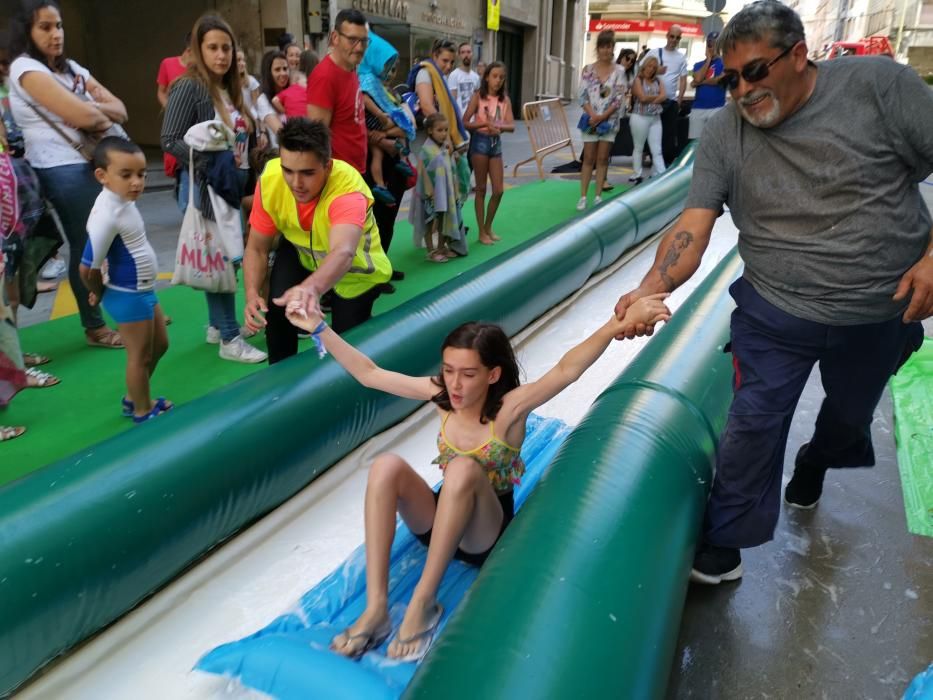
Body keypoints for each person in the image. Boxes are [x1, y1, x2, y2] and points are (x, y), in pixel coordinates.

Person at [613, 0, 933, 585]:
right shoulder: (725, 134)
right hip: (775, 311)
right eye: (730, 78)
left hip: (878, 310)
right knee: (752, 422)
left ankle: (816, 459)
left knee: (848, 419)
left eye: (756, 71)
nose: (742, 90)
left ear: (798, 55)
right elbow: (694, 224)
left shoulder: (880, 87)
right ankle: (727, 541)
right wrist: (646, 288)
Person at [282, 298, 671, 661]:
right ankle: (377, 609)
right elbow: (369, 374)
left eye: (468, 375)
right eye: (448, 371)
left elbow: (567, 369)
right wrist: (319, 328)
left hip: (483, 535)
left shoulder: (509, 409)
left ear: (493, 374)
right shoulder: (442, 395)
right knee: (385, 465)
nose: (454, 385)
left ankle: (424, 602)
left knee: (464, 468)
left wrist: (614, 324)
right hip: (439, 523)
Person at [8, 0, 127, 350]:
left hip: (93, 161)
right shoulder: (25, 69)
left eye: (58, 25)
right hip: (58, 166)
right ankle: (94, 327)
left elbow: (120, 109)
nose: (55, 34)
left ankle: (127, 310)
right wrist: (93, 111)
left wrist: (89, 109)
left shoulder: (71, 67)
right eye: (45, 27)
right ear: (28, 32)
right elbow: (93, 119)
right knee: (87, 244)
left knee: (116, 236)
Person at [161, 13, 267, 364]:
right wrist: (209, 165)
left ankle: (215, 324)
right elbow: (170, 139)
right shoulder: (190, 86)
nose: (220, 55)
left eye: (226, 48)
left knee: (217, 261)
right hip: (206, 189)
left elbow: (236, 140)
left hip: (227, 187)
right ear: (197, 49)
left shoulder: (229, 88)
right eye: (212, 48)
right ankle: (230, 338)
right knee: (221, 262)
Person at [242, 118, 391, 364]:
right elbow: (257, 247)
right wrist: (251, 293)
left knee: (345, 347)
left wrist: (310, 288)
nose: (296, 183)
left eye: (308, 173)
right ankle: (280, 389)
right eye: (288, 170)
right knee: (279, 309)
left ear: (328, 166)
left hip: (356, 270)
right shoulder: (270, 179)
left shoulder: (347, 189)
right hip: (302, 252)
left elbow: (343, 252)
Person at [79, 137, 171, 423]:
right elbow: (86, 268)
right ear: (102, 176)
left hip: (142, 289)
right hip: (127, 293)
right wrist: (100, 290)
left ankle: (137, 397)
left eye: (141, 174)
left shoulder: (122, 201)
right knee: (140, 356)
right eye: (126, 175)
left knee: (160, 345)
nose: (137, 183)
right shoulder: (105, 215)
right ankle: (141, 409)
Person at [306, 8, 369, 174]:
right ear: (335, 38)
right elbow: (316, 139)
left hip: (356, 172)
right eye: (352, 40)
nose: (359, 47)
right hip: (338, 178)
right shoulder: (325, 76)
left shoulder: (351, 67)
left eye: (363, 41)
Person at [358, 33, 414, 208]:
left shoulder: (392, 93)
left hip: (383, 142)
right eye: (386, 66)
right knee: (377, 153)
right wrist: (384, 122)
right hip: (369, 145)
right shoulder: (365, 81)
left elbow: (407, 124)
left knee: (382, 150)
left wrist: (382, 135)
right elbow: (365, 102)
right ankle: (380, 185)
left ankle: (394, 170)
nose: (389, 73)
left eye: (393, 68)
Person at [576, 29, 627, 211]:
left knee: (603, 158)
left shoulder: (620, 71)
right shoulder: (588, 70)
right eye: (603, 47)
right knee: (588, 158)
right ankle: (583, 196)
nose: (606, 50)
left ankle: (598, 195)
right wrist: (593, 115)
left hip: (609, 120)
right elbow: (582, 96)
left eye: (609, 46)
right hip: (590, 121)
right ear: (597, 49)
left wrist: (603, 116)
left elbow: (619, 98)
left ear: (613, 48)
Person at [463, 62, 513, 245]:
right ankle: (481, 232)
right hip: (480, 142)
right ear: (486, 77)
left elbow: (511, 125)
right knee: (481, 189)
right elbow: (465, 121)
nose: (498, 80)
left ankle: (488, 226)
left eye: (501, 77)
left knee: (499, 190)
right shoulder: (479, 96)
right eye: (494, 76)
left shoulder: (504, 100)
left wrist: (499, 126)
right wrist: (484, 125)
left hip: (495, 143)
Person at [410, 113, 470, 263]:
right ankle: (431, 250)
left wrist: (453, 157)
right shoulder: (426, 150)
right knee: (429, 221)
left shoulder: (444, 147)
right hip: (430, 194)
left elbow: (448, 169)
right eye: (440, 130)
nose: (444, 134)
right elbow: (423, 173)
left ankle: (441, 246)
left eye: (446, 130)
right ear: (430, 131)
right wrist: (430, 193)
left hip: (444, 193)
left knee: (444, 218)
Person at [414, 39, 468, 151]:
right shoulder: (425, 73)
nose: (449, 66)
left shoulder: (441, 77)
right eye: (445, 60)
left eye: (452, 62)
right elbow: (426, 106)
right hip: (425, 140)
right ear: (434, 56)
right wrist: (446, 137)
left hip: (437, 138)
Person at [644, 25, 687, 166]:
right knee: (653, 132)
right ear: (667, 36)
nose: (674, 40)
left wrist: (679, 99)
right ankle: (652, 158)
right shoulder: (655, 53)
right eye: (672, 36)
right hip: (654, 100)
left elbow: (683, 79)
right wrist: (656, 71)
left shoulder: (681, 57)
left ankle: (666, 164)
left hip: (671, 102)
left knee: (668, 134)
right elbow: (641, 69)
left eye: (677, 37)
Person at [628, 55, 666, 185]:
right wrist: (656, 97)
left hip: (655, 118)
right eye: (649, 66)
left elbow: (664, 96)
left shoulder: (658, 81)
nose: (651, 69)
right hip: (640, 117)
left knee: (657, 149)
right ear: (644, 66)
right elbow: (642, 98)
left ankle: (661, 174)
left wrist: (650, 97)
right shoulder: (638, 80)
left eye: (654, 68)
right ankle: (637, 174)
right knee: (638, 147)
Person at [689, 32, 726, 140]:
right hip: (698, 108)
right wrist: (709, 59)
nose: (712, 47)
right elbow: (697, 78)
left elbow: (719, 81)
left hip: (717, 108)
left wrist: (699, 83)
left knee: (715, 142)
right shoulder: (698, 64)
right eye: (710, 44)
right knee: (695, 143)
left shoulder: (725, 63)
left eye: (715, 44)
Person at [272, 50, 318, 119]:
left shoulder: (286, 91)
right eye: (291, 55)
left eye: (297, 56)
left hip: (292, 123)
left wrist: (284, 111)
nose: (295, 59)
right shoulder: (310, 89)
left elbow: (275, 100)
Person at [256, 49, 287, 147]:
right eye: (277, 69)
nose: (283, 73)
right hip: (282, 155)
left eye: (285, 69)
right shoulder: (263, 100)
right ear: (268, 73)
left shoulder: (292, 92)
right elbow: (281, 132)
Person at [446, 42, 480, 117]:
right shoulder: (454, 75)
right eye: (463, 52)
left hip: (473, 121)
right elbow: (452, 102)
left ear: (472, 54)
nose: (466, 55)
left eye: (468, 52)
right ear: (459, 55)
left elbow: (478, 101)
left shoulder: (476, 77)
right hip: (459, 120)